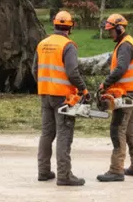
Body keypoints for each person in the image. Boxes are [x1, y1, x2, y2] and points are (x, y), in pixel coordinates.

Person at [32, 10, 88, 187]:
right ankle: (64, 175)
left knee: (47, 134)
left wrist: (44, 85)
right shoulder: (68, 45)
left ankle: (43, 171)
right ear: (70, 27)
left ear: (54, 24)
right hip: (63, 97)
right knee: (64, 134)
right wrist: (83, 89)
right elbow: (72, 71)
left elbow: (35, 70)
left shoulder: (42, 44)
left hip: (45, 94)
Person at [96, 14, 133, 182]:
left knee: (117, 128)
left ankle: (116, 170)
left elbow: (120, 69)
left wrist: (105, 84)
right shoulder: (127, 42)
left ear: (119, 28)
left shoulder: (125, 46)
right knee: (130, 129)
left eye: (111, 31)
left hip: (127, 93)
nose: (109, 34)